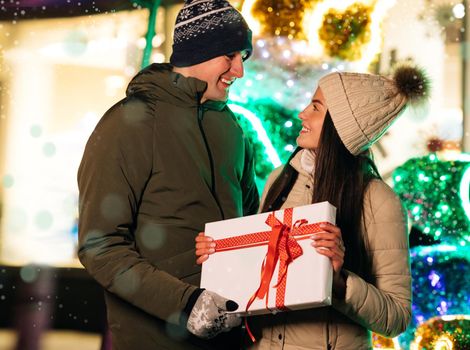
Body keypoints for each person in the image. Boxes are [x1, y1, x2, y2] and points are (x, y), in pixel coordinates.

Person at [196, 65, 430, 349]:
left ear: (340, 125)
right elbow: (260, 277)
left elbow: (396, 319)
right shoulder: (280, 179)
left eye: (315, 107)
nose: (302, 113)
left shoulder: (379, 201)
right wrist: (220, 255)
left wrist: (339, 281)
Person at [77, 1, 259, 349]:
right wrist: (185, 303)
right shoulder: (131, 123)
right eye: (231, 56)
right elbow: (100, 245)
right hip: (155, 340)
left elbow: (250, 226)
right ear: (200, 52)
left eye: (243, 58)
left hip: (231, 335)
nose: (239, 71)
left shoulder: (232, 130)